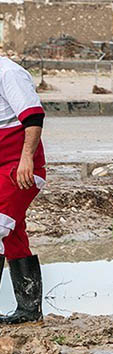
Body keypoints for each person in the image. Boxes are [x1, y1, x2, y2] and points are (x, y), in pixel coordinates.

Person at [0, 56, 47, 324]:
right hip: (1, 169)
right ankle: (29, 311)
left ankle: (28, 310)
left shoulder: (8, 73)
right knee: (13, 235)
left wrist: (26, 159)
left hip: (19, 169)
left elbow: (33, 117)